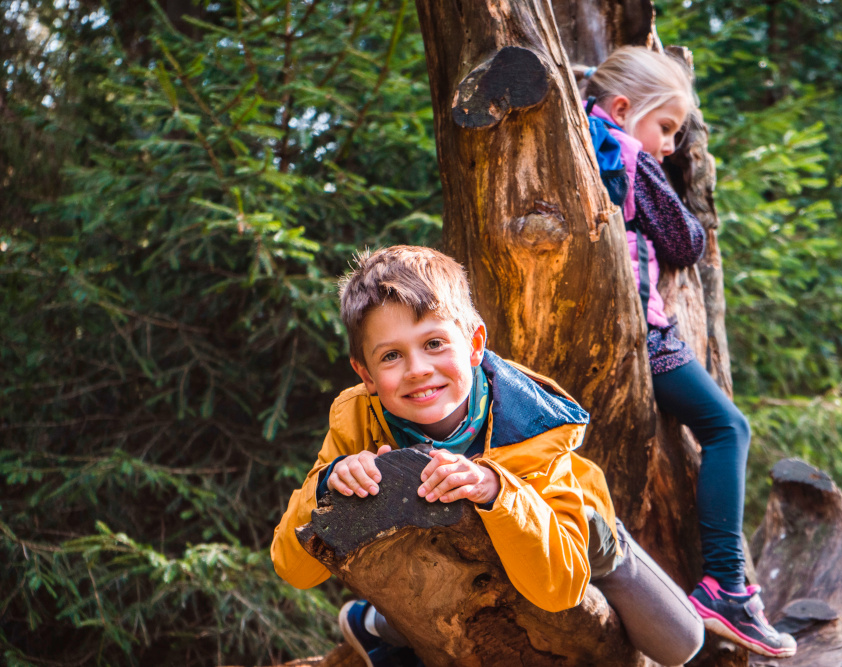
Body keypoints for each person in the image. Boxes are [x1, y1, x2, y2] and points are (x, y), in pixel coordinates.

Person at [271, 246, 704, 667]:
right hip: (454, 568)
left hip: (573, 539)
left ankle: (619, 554)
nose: (418, 368)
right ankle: (376, 625)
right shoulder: (357, 418)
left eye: (435, 343)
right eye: (391, 356)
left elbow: (560, 588)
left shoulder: (534, 424)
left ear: (475, 343)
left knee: (682, 644)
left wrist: (496, 487)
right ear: (365, 374)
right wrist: (330, 484)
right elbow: (294, 568)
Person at [577, 47, 797, 659]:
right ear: (623, 109)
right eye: (666, 126)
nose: (670, 145)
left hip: (607, 336)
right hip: (644, 340)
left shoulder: (581, 141)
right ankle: (725, 587)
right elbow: (686, 239)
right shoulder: (625, 151)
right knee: (729, 426)